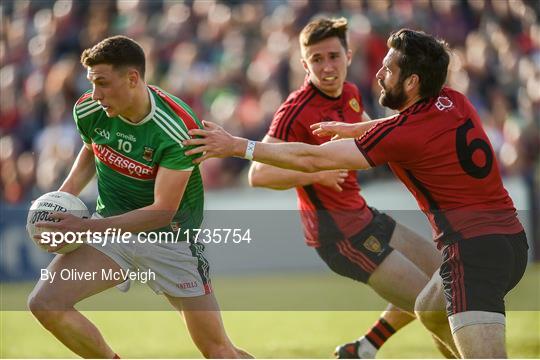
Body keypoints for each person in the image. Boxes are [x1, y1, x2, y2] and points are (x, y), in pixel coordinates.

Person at [183, 29, 528, 359]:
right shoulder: (454, 101)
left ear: (412, 82)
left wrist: (235, 145)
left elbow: (312, 155)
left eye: (389, 69)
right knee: (429, 310)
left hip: (472, 251)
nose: (379, 74)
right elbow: (404, 126)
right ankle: (367, 346)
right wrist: (357, 128)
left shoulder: (400, 131)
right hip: (512, 239)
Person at [27, 35, 251, 359]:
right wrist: (59, 203)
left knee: (217, 350)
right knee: (45, 303)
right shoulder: (89, 108)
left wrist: (82, 228)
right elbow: (92, 150)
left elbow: (162, 212)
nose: (95, 94)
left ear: (133, 78)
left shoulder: (177, 130)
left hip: (170, 240)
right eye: (91, 83)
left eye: (103, 83)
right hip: (111, 232)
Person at [247, 17, 446, 359]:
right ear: (304, 64)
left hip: (363, 216)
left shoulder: (352, 94)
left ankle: (365, 347)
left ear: (349, 56)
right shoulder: (295, 111)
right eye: (317, 59)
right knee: (435, 311)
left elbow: (372, 132)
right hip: (338, 235)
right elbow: (259, 174)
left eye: (333, 56)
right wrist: (315, 174)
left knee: (445, 281)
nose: (327, 67)